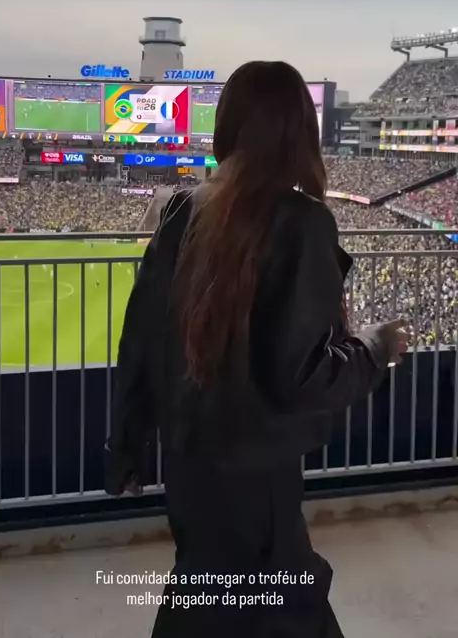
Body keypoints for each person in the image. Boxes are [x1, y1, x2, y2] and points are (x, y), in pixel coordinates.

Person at [104, 61, 408, 638]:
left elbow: (140, 336)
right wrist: (374, 348)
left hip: (189, 467)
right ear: (300, 133)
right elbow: (303, 378)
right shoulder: (303, 223)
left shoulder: (183, 210)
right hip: (257, 479)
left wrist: (126, 444)